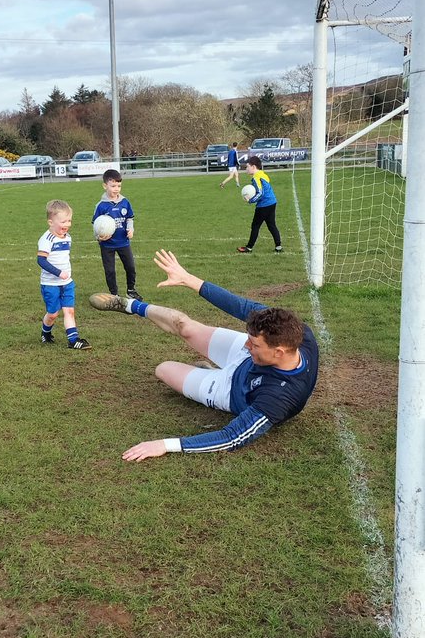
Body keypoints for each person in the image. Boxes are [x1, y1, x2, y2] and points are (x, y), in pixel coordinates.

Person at [89, 248, 318, 461]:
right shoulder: (296, 333)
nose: (248, 346)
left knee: (163, 369)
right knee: (185, 326)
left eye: (255, 344)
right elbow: (239, 306)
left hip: (229, 390)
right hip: (249, 364)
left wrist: (165, 445)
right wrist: (187, 279)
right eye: (250, 340)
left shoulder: (278, 398)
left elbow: (232, 437)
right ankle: (130, 305)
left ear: (279, 352)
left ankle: (211, 373)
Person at [37, 199, 91, 350]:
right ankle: (45, 333)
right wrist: (58, 272)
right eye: (63, 221)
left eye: (69, 221)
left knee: (69, 311)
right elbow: (41, 260)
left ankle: (73, 340)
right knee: (53, 314)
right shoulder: (46, 240)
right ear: (50, 222)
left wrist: (65, 275)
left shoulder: (68, 237)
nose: (67, 225)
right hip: (50, 284)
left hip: (67, 283)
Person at [92, 168, 142, 299]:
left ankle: (131, 290)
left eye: (119, 185)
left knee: (130, 267)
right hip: (107, 245)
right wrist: (99, 237)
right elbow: (95, 224)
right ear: (105, 186)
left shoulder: (125, 202)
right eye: (113, 185)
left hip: (123, 242)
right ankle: (114, 294)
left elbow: (129, 218)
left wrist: (131, 229)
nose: (116, 188)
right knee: (110, 271)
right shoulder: (101, 206)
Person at [238, 155, 282, 253]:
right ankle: (278, 246)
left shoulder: (256, 177)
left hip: (264, 205)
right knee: (271, 225)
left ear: (253, 167)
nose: (246, 169)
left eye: (247, 167)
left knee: (255, 225)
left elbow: (260, 193)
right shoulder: (262, 174)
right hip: (272, 202)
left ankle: (249, 247)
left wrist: (250, 200)